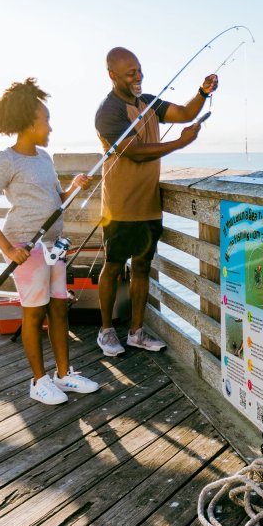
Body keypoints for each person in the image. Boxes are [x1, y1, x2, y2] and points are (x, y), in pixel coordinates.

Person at [0, 78, 100, 405]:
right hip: (25, 249)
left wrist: (73, 187)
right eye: (46, 120)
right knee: (33, 313)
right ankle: (39, 381)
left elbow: (55, 198)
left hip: (54, 246)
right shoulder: (6, 160)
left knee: (60, 308)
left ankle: (64, 374)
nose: (50, 127)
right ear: (30, 124)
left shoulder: (45, 158)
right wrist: (8, 249)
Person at [92, 47, 218, 356]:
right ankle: (106, 331)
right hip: (120, 206)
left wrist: (202, 92)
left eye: (138, 69)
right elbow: (133, 151)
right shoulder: (108, 113)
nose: (138, 76)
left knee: (143, 267)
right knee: (112, 266)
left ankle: (136, 332)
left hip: (149, 205)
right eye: (130, 72)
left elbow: (185, 113)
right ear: (112, 75)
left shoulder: (148, 101)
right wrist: (180, 142)